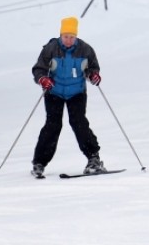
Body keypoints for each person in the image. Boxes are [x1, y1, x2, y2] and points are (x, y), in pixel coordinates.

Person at [31, 17, 105, 178]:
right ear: (60, 35)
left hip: (77, 93)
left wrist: (93, 76)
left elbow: (93, 68)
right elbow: (38, 69)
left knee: (78, 122)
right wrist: (43, 79)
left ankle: (94, 158)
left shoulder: (85, 50)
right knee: (53, 125)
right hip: (54, 92)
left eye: (72, 37)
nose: (69, 40)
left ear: (76, 36)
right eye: (66, 36)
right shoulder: (50, 49)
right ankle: (39, 163)